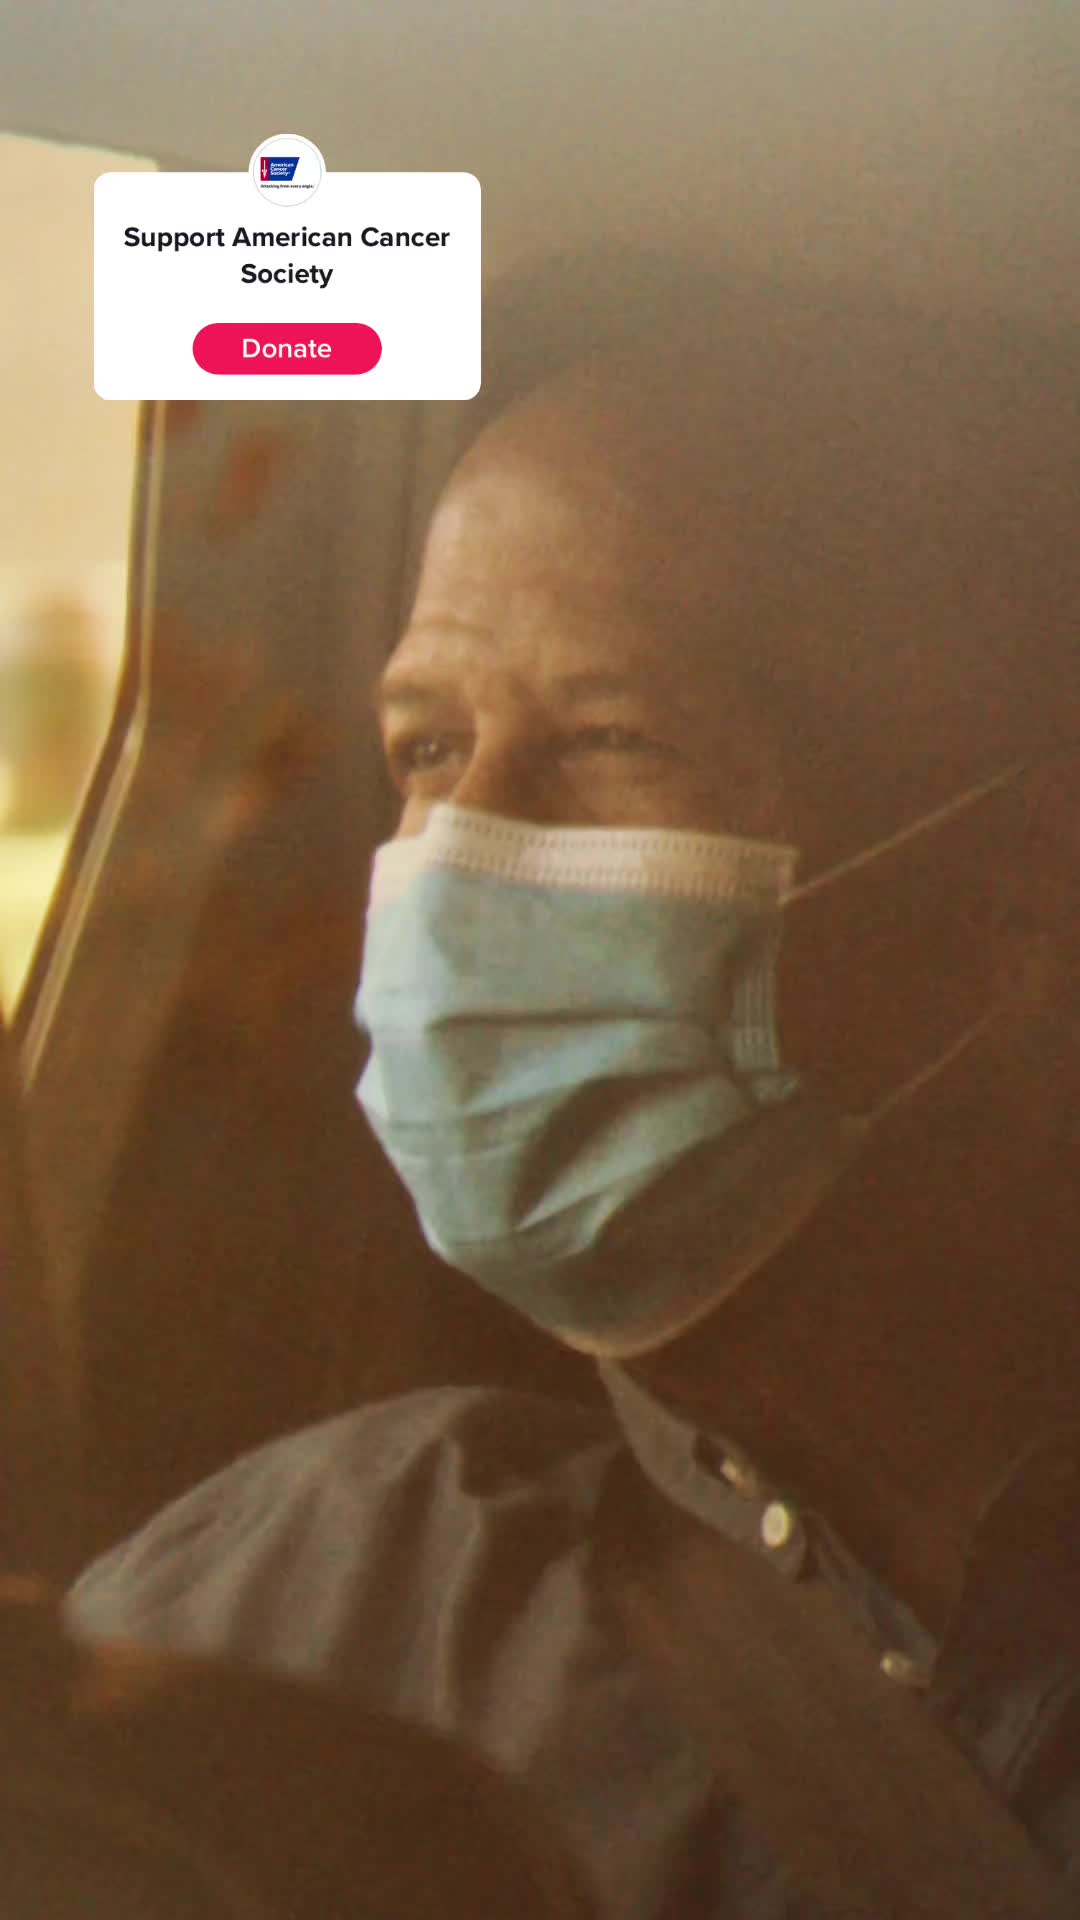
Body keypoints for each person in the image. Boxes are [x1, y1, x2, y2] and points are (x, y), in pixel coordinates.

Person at [66, 293, 1080, 1917]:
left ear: (1015, 887)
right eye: (426, 749)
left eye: (613, 736)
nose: (460, 855)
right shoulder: (312, 1594)